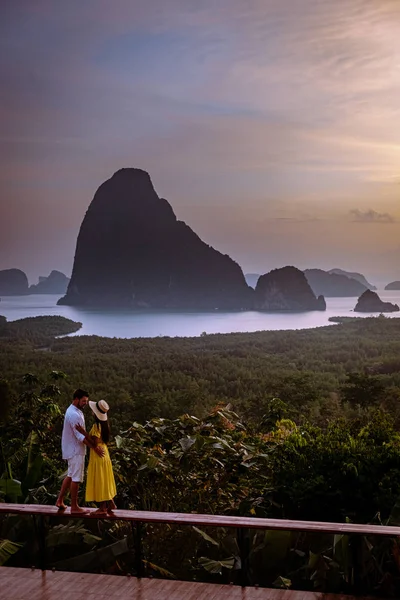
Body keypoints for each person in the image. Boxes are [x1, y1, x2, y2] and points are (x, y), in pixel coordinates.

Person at [56, 389, 104, 514]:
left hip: (72, 449)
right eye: (83, 401)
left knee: (71, 475)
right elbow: (80, 437)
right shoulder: (74, 414)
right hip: (75, 450)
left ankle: (60, 500)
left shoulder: (74, 411)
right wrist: (94, 447)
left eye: (86, 401)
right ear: (76, 399)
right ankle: (74, 506)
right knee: (76, 478)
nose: (85, 403)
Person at [76, 399, 117, 516]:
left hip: (98, 454)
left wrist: (83, 432)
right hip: (105, 453)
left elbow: (93, 442)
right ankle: (111, 503)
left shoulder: (96, 426)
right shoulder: (105, 425)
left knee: (100, 480)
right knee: (105, 478)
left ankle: (102, 508)